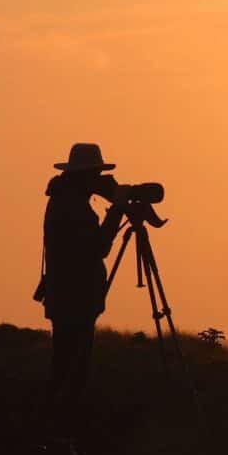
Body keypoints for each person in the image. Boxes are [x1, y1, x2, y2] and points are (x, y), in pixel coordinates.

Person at [39, 143, 129, 417]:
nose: (97, 180)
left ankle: (54, 422)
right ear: (84, 175)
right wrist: (117, 209)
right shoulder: (73, 208)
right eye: (95, 174)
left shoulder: (65, 200)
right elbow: (98, 247)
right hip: (75, 298)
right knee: (72, 369)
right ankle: (60, 425)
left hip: (68, 296)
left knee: (65, 365)